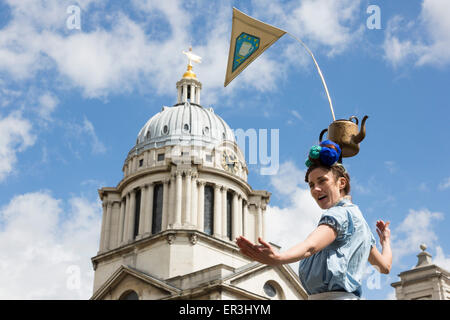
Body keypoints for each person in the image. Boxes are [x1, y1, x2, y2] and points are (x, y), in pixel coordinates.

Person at [236, 140, 392, 300]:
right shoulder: (362, 226)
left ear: (341, 183)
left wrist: (278, 258)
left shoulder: (339, 214)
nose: (315, 189)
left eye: (322, 180)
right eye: (311, 184)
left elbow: (310, 246)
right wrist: (385, 241)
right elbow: (384, 267)